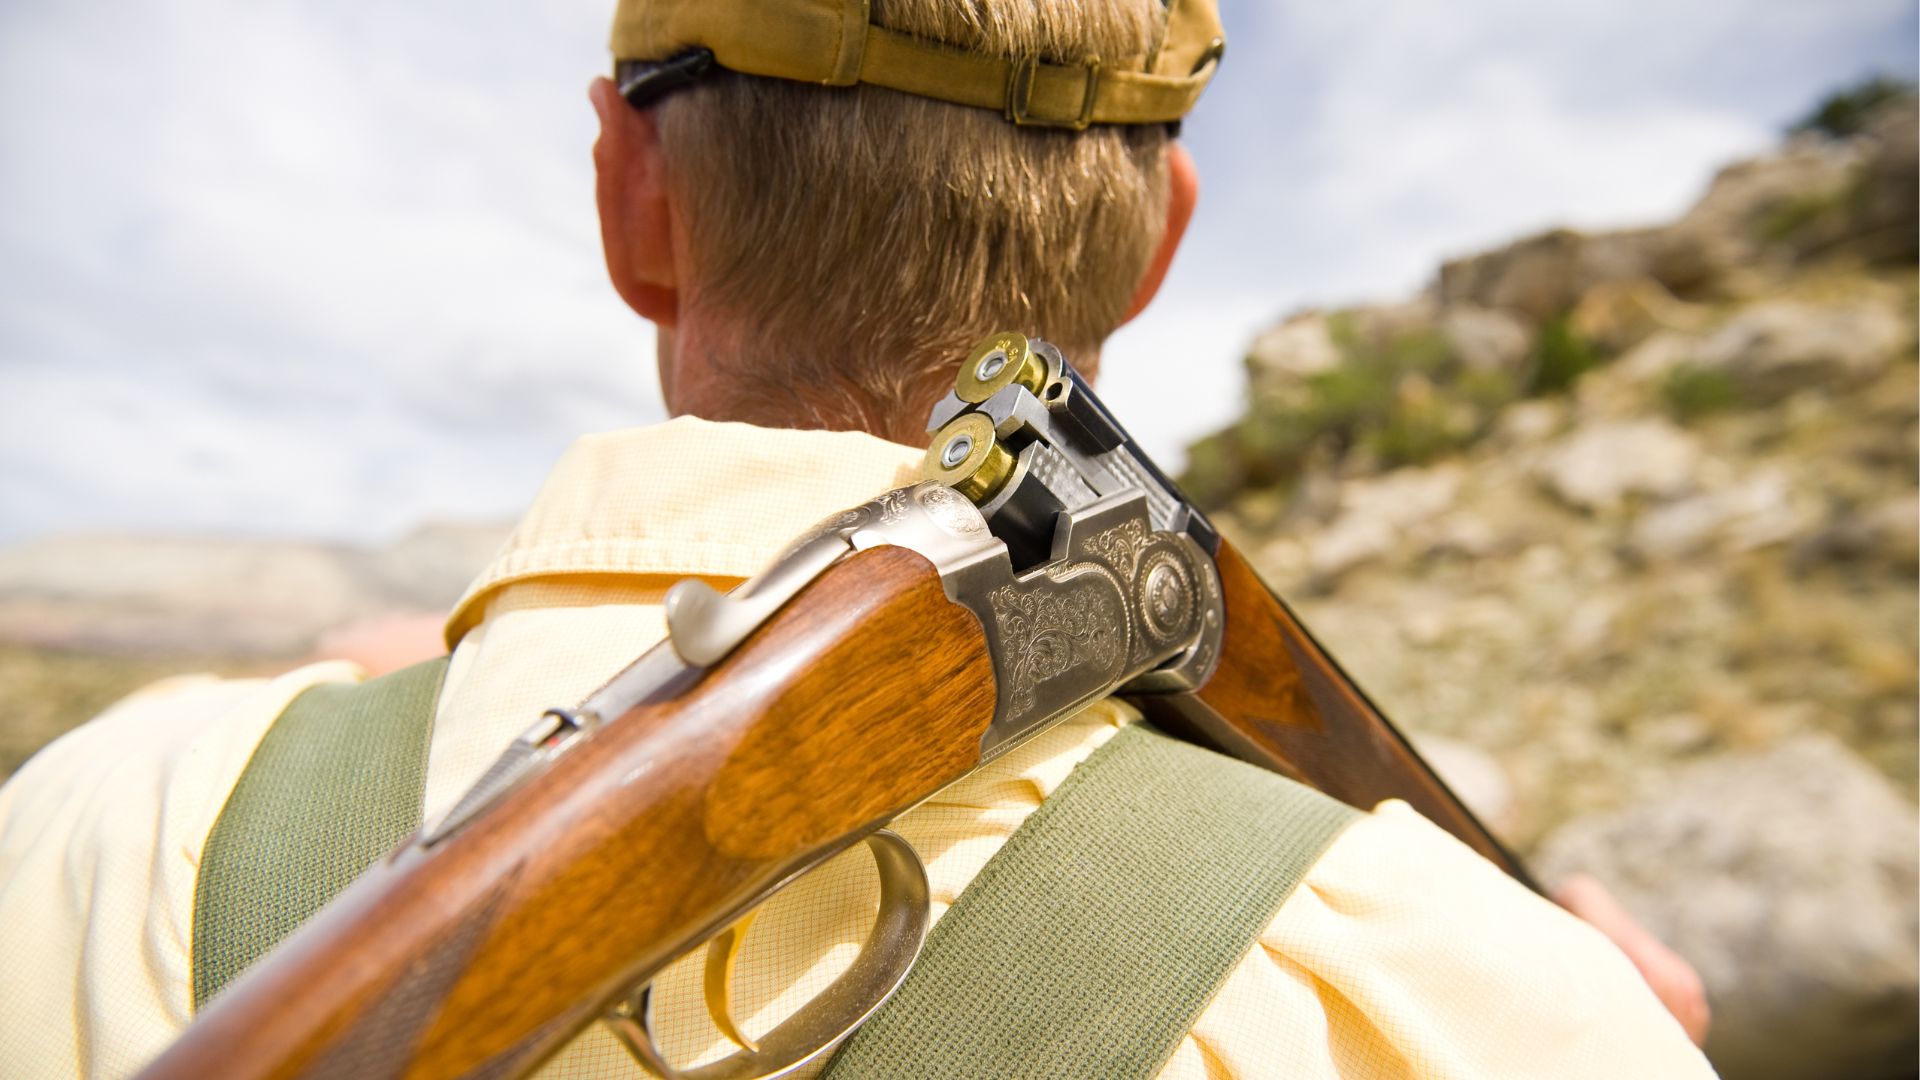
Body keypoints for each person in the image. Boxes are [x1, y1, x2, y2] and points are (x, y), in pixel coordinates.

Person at [0, 0, 1713, 1076]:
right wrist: (1596, 1023)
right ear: (1157, 241)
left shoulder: (92, 822)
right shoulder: (1484, 1005)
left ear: (629, 192)